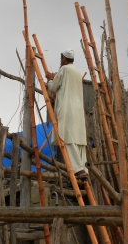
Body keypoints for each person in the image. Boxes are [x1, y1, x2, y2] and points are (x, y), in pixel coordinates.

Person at [46, 49, 88, 179]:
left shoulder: (64, 70)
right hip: (77, 109)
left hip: (67, 108)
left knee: (66, 135)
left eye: (61, 58)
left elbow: (53, 88)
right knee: (78, 138)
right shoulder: (77, 72)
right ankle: (84, 168)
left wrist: (49, 80)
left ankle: (78, 169)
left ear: (64, 58)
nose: (60, 60)